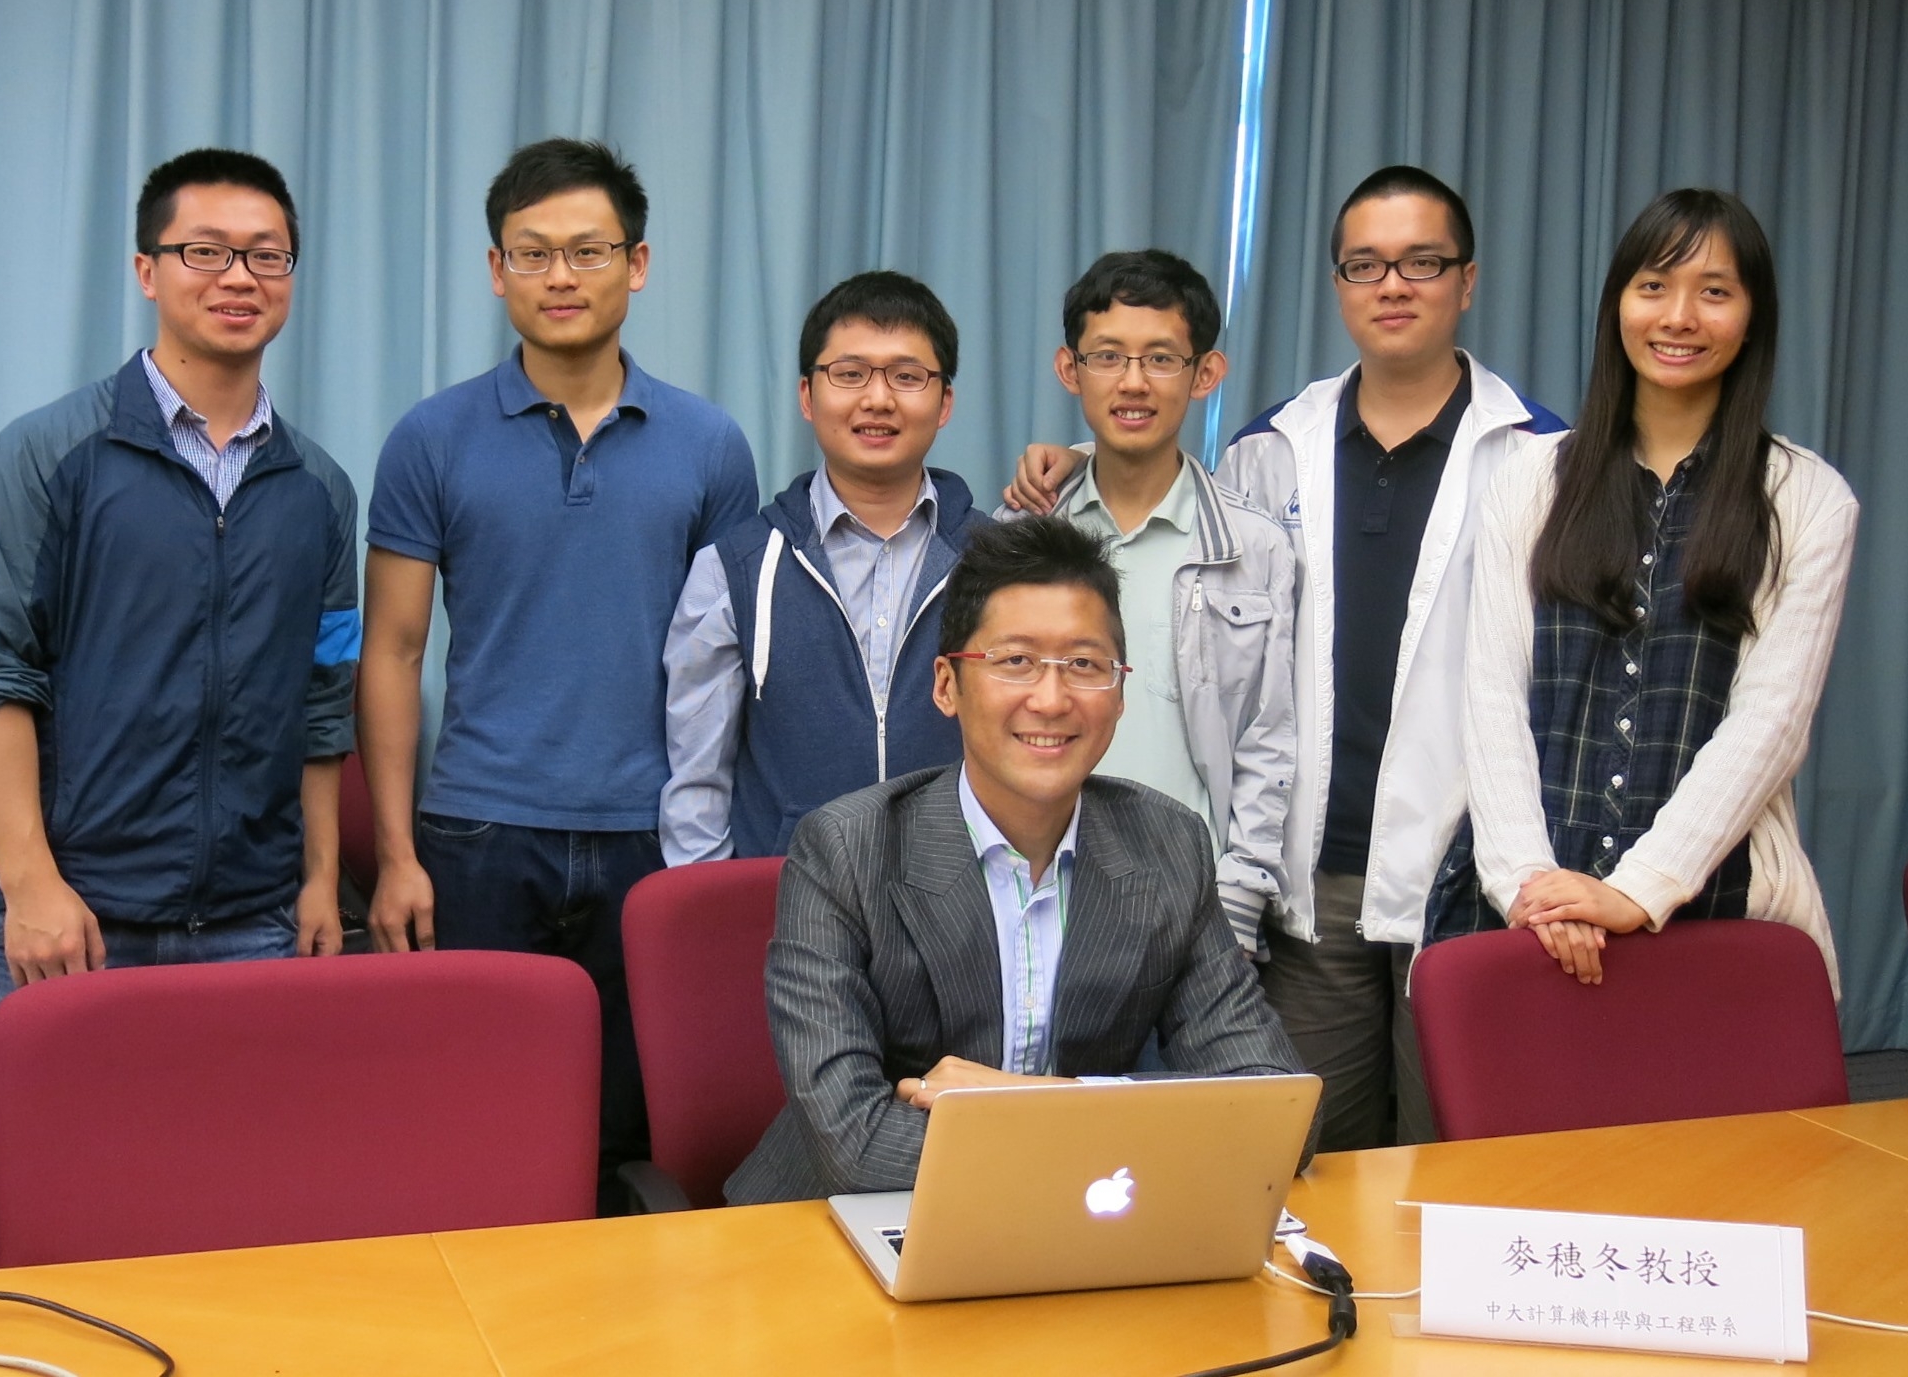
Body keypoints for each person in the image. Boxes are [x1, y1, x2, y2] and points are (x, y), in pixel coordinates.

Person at [1008, 169, 1562, 1151]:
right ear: (1339, 283)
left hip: (1465, 864)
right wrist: (1065, 468)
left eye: (1421, 262)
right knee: (1305, 1156)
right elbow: (1193, 614)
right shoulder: (1271, 450)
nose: (1393, 284)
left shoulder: (1541, 456)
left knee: (1459, 1148)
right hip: (1310, 879)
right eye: (1365, 264)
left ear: (1466, 281)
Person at [0, 148, 356, 1257]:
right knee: (45, 1245)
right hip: (73, 924)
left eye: (266, 254)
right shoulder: (50, 453)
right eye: (203, 251)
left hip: (257, 926)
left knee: (242, 1240)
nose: (237, 276)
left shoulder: (320, 487)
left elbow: (324, 694)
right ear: (146, 268)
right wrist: (29, 886)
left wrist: (318, 880)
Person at [362, 138, 757, 1206]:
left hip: (654, 831)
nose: (561, 277)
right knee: (471, 1119)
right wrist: (396, 852)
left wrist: (708, 853)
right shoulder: (430, 439)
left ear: (638, 264)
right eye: (533, 254)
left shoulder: (711, 444)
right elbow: (393, 651)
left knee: (632, 1136)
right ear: (496, 271)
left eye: (587, 251)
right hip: (479, 829)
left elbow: (729, 665)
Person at [725, 517, 1311, 1204]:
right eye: (1015, 661)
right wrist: (1113, 1135)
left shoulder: (1166, 845)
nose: (1052, 698)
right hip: (840, 1224)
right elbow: (854, 1148)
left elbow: (1277, 1115)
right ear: (946, 685)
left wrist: (1030, 1100)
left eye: (1083, 665)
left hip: (1064, 1224)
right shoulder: (846, 850)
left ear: (1118, 692)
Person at [1425, 189, 1853, 992]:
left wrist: (1634, 889)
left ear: (1753, 316)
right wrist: (1537, 890)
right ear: (1617, 301)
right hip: (1525, 910)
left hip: (1715, 911)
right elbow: (1490, 697)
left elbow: (1769, 726)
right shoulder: (1530, 481)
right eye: (1652, 285)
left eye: (1714, 291)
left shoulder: (1807, 499)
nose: (1678, 316)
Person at [661, 271, 988, 864]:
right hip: (787, 910)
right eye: (850, 373)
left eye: (908, 376)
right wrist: (713, 914)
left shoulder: (998, 561)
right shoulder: (735, 568)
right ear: (808, 396)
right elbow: (697, 784)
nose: (878, 399)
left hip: (958, 905)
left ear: (944, 403)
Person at [1026, 250, 1296, 952]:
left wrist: (1237, 899)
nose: (1133, 382)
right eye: (1107, 356)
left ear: (1205, 373)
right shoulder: (1024, 537)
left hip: (1194, 906)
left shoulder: (1254, 547)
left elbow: (1272, 740)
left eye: (1161, 359)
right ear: (1068, 369)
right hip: (1040, 898)